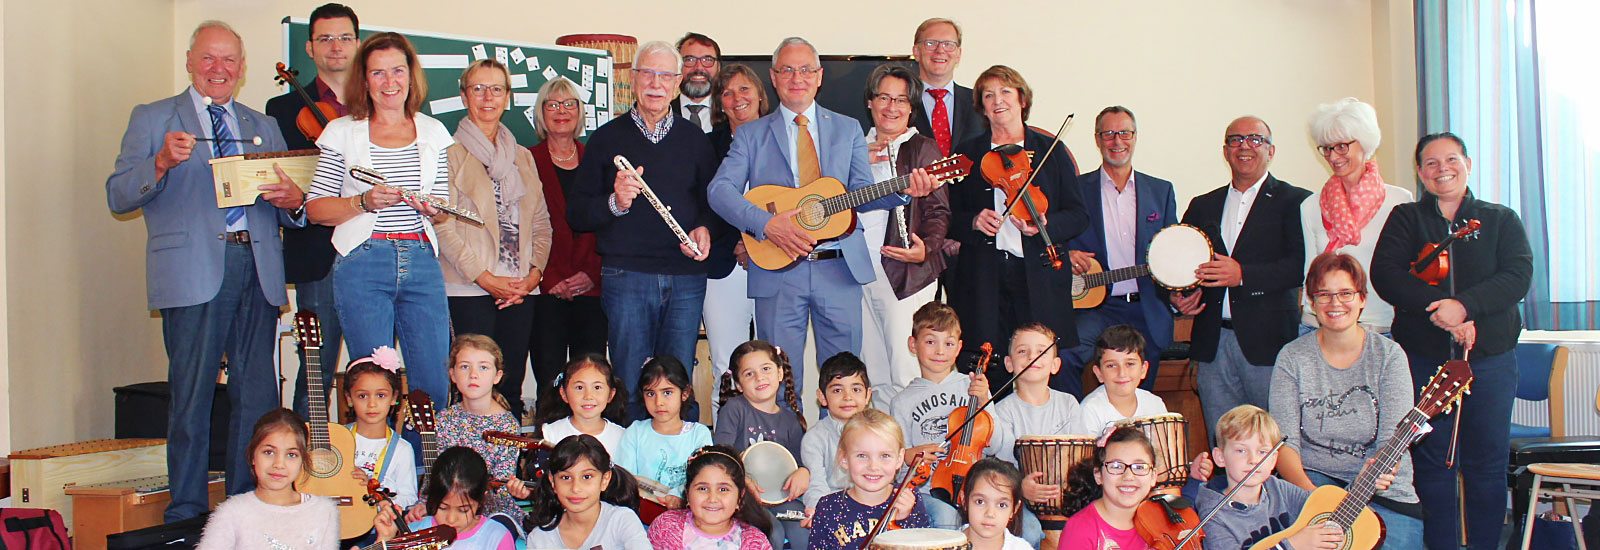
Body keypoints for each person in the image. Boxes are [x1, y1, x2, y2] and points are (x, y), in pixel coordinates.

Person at [106, 20, 307, 521]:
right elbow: (118, 193)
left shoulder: (262, 124)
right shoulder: (154, 117)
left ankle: (246, 506)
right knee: (192, 397)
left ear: (241, 69)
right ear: (191, 62)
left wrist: (293, 200)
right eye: (209, 59)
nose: (220, 69)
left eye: (230, 60)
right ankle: (188, 512)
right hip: (192, 273)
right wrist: (158, 163)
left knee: (257, 397)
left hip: (258, 268)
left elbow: (291, 206)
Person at [707, 37, 937, 395]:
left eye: (805, 70)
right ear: (774, 77)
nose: (796, 77)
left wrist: (903, 191)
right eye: (787, 70)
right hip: (778, 271)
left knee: (846, 383)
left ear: (819, 76)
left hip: (839, 269)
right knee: (778, 383)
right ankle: (782, 452)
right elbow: (719, 191)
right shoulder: (751, 135)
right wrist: (766, 224)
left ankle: (845, 452)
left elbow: (859, 193)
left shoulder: (846, 129)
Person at [1370, 132, 1532, 550]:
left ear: (1468, 163)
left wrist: (1465, 307)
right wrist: (1440, 308)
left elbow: (1517, 276)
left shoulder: (1500, 218)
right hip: (1424, 360)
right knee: (1431, 465)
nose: (1443, 169)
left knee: (1486, 466)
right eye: (1431, 162)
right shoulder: (1406, 217)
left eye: (1452, 159)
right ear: (1420, 172)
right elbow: (1386, 274)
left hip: (1490, 360)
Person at [567, 40, 715, 421]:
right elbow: (578, 214)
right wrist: (616, 201)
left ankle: (680, 471)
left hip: (685, 278)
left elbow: (711, 205)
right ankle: (629, 477)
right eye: (647, 73)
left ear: (678, 81)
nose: (656, 82)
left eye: (665, 75)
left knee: (677, 382)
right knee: (631, 381)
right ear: (633, 79)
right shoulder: (605, 139)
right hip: (626, 275)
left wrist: (703, 229)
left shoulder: (695, 139)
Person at [304, 32, 453, 407]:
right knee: (373, 387)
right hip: (363, 263)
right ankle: (376, 466)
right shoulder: (341, 132)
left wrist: (432, 209)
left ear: (411, 75)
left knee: (433, 382)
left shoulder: (434, 132)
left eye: (398, 71)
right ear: (364, 79)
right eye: (378, 74)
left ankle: (422, 466)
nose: (390, 83)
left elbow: (442, 204)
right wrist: (362, 202)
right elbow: (315, 209)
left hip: (421, 261)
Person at [946, 65, 1088, 393]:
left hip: (1037, 275)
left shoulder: (1050, 151)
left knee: (1039, 365)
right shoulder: (967, 155)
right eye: (988, 95)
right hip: (985, 278)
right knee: (990, 366)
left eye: (1006, 92)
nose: (998, 101)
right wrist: (973, 221)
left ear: (1022, 99)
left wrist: (1045, 226)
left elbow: (1079, 214)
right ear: (981, 106)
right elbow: (946, 215)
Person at [1268, 252, 1423, 547]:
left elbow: (1393, 441)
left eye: (1345, 293)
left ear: (1362, 298)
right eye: (1324, 295)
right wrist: (1315, 500)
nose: (1335, 303)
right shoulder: (1292, 357)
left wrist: (1361, 488)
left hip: (1382, 490)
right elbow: (1284, 443)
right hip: (1313, 485)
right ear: (1311, 302)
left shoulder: (1389, 357)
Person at [1171, 116, 1311, 433]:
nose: (1244, 146)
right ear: (1225, 150)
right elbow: (1179, 262)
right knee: (1224, 439)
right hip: (1212, 344)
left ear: (1271, 150)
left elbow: (1300, 266)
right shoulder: (1202, 205)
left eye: (1255, 139)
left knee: (1276, 439)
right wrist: (1179, 295)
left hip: (1270, 343)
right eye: (1236, 139)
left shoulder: (1297, 202)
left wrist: (1243, 275)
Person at [437, 58, 552, 419]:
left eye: (496, 89)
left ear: (507, 97)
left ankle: (509, 472)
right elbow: (443, 227)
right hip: (469, 288)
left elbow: (542, 225)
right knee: (472, 390)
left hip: (520, 289)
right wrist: (486, 280)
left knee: (511, 384)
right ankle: (469, 473)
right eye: (478, 89)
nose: (488, 97)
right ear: (464, 95)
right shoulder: (447, 154)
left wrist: (533, 277)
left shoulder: (522, 157)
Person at [265, 3, 358, 420]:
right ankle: (307, 472)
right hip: (316, 252)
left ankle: (371, 475)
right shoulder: (282, 111)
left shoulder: (381, 107)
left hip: (372, 249)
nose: (335, 48)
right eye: (325, 39)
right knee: (314, 371)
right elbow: (283, 180)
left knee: (374, 372)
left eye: (344, 38)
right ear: (309, 47)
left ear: (358, 44)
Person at [1062, 106, 1178, 396]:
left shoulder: (1160, 191)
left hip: (1145, 308)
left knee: (1141, 391)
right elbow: (1051, 237)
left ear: (1135, 137)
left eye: (1124, 133)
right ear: (1097, 139)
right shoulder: (1075, 189)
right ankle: (1076, 429)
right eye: (1109, 134)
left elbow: (1173, 253)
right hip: (1094, 308)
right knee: (1063, 358)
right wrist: (1064, 254)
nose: (1117, 141)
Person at [860, 63, 951, 394]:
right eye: (884, 97)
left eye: (900, 100)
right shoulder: (853, 146)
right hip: (854, 270)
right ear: (870, 101)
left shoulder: (922, 148)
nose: (891, 107)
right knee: (873, 374)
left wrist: (926, 247)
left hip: (903, 271)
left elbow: (940, 211)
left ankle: (915, 446)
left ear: (911, 108)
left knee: (905, 369)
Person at [1300, 97, 1412, 334]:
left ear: (1365, 143)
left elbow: (1406, 271)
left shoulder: (1399, 201)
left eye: (1342, 146)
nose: (1333, 156)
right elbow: (1309, 272)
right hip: (1321, 326)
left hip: (1380, 326)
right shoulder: (1311, 205)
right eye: (1326, 148)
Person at [527, 77, 607, 394]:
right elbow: (521, 225)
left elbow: (610, 220)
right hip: (546, 288)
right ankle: (552, 439)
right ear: (541, 113)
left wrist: (591, 274)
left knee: (591, 376)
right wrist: (550, 276)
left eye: (569, 103)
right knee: (551, 377)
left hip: (592, 288)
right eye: (553, 104)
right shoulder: (526, 160)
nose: (562, 111)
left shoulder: (598, 160)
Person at [1181, 405, 1347, 550]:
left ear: (1274, 459)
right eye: (1241, 450)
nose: (1253, 460)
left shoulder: (1277, 487)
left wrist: (1360, 484)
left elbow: (1327, 508)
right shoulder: (1213, 515)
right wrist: (1292, 545)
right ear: (1220, 457)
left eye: (1263, 452)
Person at [704, 63, 768, 417]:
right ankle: (726, 452)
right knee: (725, 365)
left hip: (777, 261)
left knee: (773, 363)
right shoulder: (705, 145)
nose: (737, 98)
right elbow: (705, 201)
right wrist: (738, 241)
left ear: (760, 94)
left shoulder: (784, 138)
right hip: (724, 265)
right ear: (720, 103)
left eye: (745, 90)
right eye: (727, 93)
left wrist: (756, 242)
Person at [987, 322, 1085, 547]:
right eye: (1023, 351)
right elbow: (1002, 465)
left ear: (1055, 365)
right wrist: (1021, 487)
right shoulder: (1002, 410)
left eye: (1041, 351)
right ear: (1009, 364)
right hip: (1021, 499)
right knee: (1029, 530)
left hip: (1067, 498)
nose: (1032, 356)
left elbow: (1080, 457)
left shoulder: (1068, 404)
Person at [890, 301, 985, 531]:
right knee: (946, 516)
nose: (940, 351)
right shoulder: (901, 402)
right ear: (913, 344)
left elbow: (997, 445)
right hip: (926, 491)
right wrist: (909, 456)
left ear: (959, 347)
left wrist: (983, 401)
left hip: (974, 488)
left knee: (1029, 526)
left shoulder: (973, 387)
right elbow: (899, 472)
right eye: (931, 341)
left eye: (948, 343)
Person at [197, 409, 339, 550]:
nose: (278, 464)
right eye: (269, 452)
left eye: (291, 455)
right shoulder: (232, 512)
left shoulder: (324, 511)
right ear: (253, 456)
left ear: (303, 460)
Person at [715, 340, 810, 550]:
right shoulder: (734, 409)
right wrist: (742, 480)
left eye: (766, 369)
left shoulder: (790, 420)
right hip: (745, 497)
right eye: (749, 374)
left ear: (779, 373)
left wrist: (804, 472)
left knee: (804, 531)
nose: (759, 377)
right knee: (771, 533)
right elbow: (721, 457)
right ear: (738, 384)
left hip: (783, 499)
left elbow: (802, 463)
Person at [420, 335, 524, 526]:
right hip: (447, 504)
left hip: (490, 508)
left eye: (483, 367)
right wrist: (424, 503)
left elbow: (500, 486)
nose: (473, 374)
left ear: (497, 376)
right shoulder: (444, 419)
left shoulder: (507, 425)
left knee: (499, 527)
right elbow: (434, 473)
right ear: (452, 374)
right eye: (464, 366)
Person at [809, 409, 928, 550]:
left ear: (899, 458)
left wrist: (904, 519)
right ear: (844, 459)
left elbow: (924, 544)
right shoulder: (828, 507)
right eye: (862, 456)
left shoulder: (909, 499)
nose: (873, 466)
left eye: (884, 456)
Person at [374, 446, 516, 550]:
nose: (451, 519)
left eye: (463, 510)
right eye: (442, 507)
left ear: (481, 499)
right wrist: (384, 539)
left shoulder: (496, 537)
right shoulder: (413, 532)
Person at [524, 435, 652, 550]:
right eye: (566, 477)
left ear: (604, 480)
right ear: (553, 482)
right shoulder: (540, 538)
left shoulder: (621, 521)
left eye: (587, 477)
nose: (576, 488)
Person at [616, 355, 713, 502]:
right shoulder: (635, 432)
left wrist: (677, 495)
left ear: (685, 393)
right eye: (650, 393)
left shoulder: (699, 434)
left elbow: (704, 477)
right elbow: (624, 479)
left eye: (667, 392)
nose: (658, 402)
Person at [647, 446, 775, 550]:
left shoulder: (755, 543)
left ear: (740, 497)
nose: (712, 499)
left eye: (723, 489)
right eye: (702, 488)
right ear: (687, 492)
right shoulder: (666, 526)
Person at [801, 352, 875, 525]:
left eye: (856, 389)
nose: (847, 397)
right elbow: (816, 486)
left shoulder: (878, 433)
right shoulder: (814, 439)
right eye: (837, 390)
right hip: (834, 509)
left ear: (867, 396)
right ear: (822, 397)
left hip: (873, 505)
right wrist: (829, 513)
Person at [1056, 426, 1158, 550]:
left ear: (1153, 476)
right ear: (1098, 475)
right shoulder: (1079, 529)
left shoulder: (1160, 526)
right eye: (1116, 466)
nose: (1128, 476)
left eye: (1139, 467)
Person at [342, 347, 418, 511]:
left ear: (394, 398)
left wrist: (383, 497)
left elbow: (409, 497)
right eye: (362, 396)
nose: (372, 404)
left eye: (381, 395)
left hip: (380, 529)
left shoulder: (402, 449)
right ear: (349, 398)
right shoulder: (337, 438)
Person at [1076, 325, 1168, 435]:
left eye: (1130, 364)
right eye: (1111, 366)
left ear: (1143, 370)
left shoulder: (1155, 404)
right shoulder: (1090, 410)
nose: (1122, 373)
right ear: (1099, 373)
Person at [909, 18, 982, 156]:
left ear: (958, 54)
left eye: (948, 44)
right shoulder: (900, 102)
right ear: (916, 52)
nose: (940, 50)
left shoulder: (979, 102)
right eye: (930, 43)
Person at [532, 354, 629, 456]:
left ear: (610, 394)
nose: (588, 396)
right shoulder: (550, 434)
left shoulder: (622, 437)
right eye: (579, 388)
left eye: (597, 387)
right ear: (564, 394)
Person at [960, 458, 1032, 550]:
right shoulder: (945, 545)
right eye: (980, 501)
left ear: (1014, 509)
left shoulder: (1022, 548)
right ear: (964, 501)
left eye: (1002, 505)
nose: (990, 513)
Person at [672, 33, 722, 133]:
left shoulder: (732, 114)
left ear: (719, 67)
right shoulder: (661, 115)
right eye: (689, 60)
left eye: (707, 60)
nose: (699, 67)